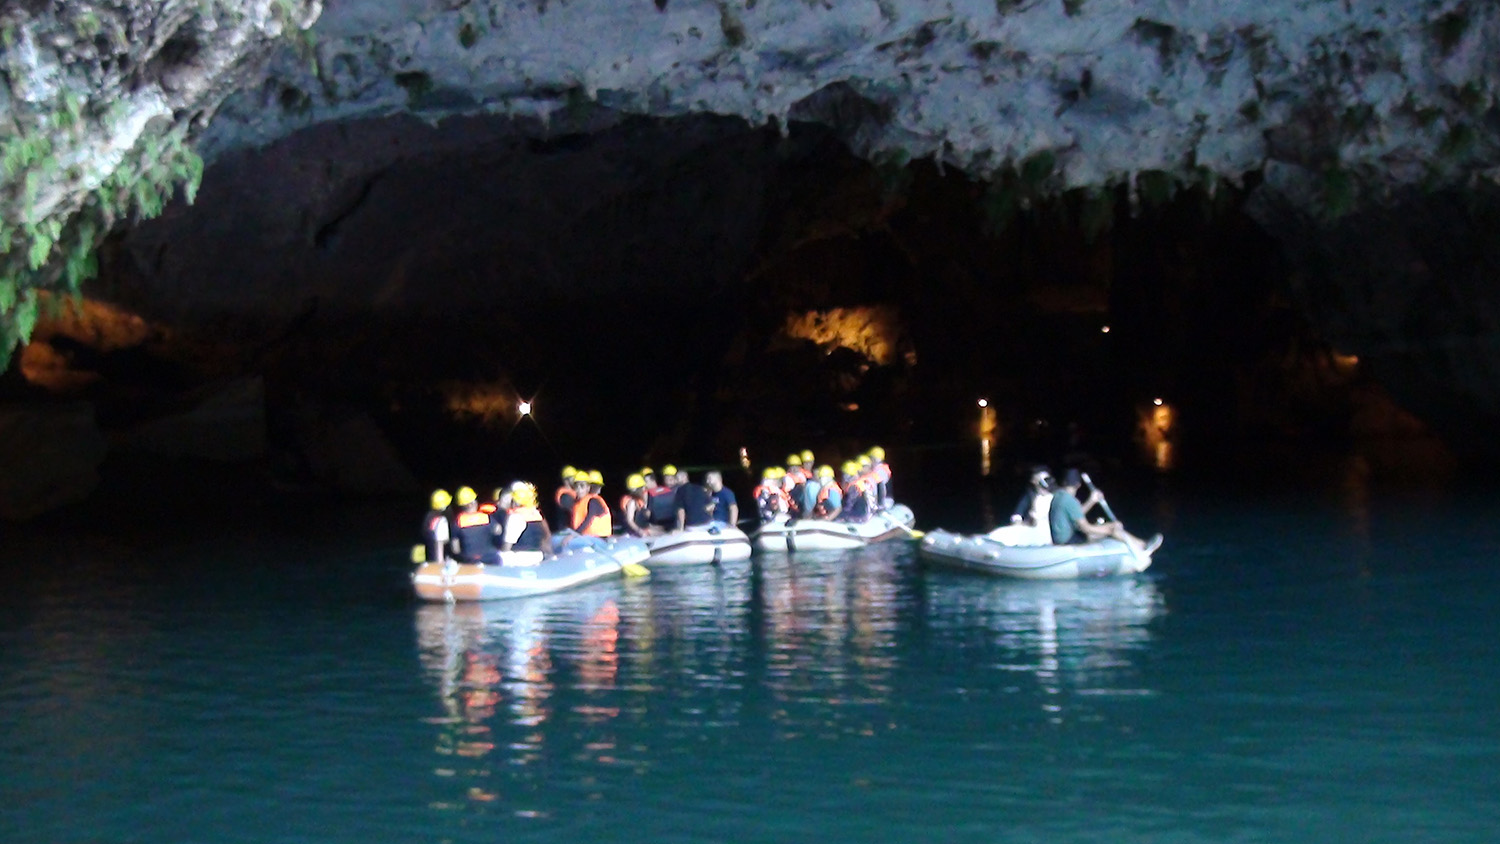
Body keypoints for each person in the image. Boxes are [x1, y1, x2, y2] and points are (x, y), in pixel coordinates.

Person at [1048, 468, 1154, 553]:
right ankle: (1142, 545)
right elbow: (1085, 528)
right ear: (1078, 485)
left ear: (1063, 482)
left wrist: (1092, 500)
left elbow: (1076, 514)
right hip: (1069, 540)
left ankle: (1140, 544)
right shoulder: (1070, 501)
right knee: (1113, 528)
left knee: (1107, 526)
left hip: (1063, 537)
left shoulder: (1059, 495)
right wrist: (1109, 529)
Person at [500, 481, 554, 557]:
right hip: (541, 556)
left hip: (522, 557)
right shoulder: (536, 514)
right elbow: (547, 536)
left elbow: (507, 547)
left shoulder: (515, 517)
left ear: (514, 500)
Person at [451, 486, 502, 563]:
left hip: (469, 561)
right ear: (472, 504)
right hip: (490, 559)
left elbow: (455, 549)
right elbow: (498, 531)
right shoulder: (486, 518)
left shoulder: (457, 522)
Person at [571, 470, 612, 537]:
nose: (579, 489)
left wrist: (573, 534)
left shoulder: (593, 501)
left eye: (582, 486)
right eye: (576, 486)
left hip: (598, 537)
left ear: (588, 487)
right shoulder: (581, 501)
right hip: (587, 536)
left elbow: (588, 520)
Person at [619, 473, 658, 537]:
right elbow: (630, 520)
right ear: (638, 489)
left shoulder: (639, 500)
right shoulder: (632, 502)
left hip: (645, 528)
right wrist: (640, 531)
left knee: (662, 530)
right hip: (637, 533)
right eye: (643, 487)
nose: (644, 489)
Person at [422, 489, 453, 563]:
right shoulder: (442, 522)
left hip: (430, 557)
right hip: (440, 560)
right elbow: (439, 545)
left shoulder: (428, 518)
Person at [553, 465, 579, 531]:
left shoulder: (572, 493)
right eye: (573, 478)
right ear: (566, 480)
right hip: (566, 531)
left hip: (571, 531)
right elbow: (574, 512)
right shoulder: (565, 496)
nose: (576, 480)